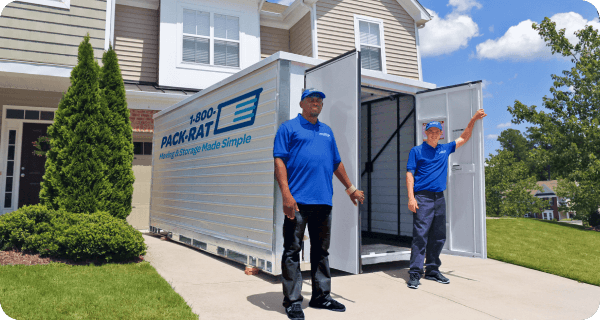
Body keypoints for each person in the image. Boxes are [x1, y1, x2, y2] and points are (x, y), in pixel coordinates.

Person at [273, 88, 365, 320]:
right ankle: (293, 301)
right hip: (298, 202)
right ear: (302, 103)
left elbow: (336, 163)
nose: (316, 102)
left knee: (321, 251)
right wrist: (286, 193)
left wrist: (350, 188)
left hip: (323, 201)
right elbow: (279, 160)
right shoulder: (288, 128)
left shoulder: (327, 131)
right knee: (293, 251)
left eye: (319, 100)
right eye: (312, 99)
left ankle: (320, 296)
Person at [405, 109, 487, 289]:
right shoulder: (417, 151)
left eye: (437, 132)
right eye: (430, 131)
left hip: (439, 198)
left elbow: (464, 138)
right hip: (423, 197)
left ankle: (432, 270)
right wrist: (411, 198)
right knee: (421, 236)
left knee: (438, 236)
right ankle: (415, 273)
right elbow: (409, 174)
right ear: (425, 133)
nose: (434, 134)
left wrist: (473, 119)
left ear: (441, 135)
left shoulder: (444, 149)